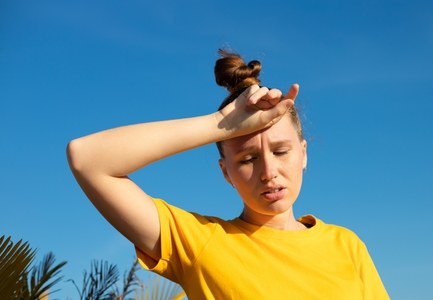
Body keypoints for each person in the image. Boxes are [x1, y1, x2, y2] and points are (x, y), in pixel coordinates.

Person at [67, 49, 390, 299]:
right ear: (226, 172)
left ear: (303, 153)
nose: (268, 172)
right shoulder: (199, 243)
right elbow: (88, 158)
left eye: (281, 151)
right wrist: (218, 124)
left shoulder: (346, 244)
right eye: (247, 159)